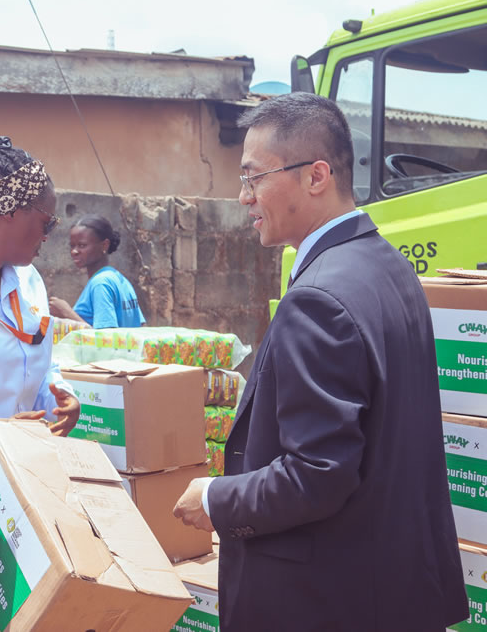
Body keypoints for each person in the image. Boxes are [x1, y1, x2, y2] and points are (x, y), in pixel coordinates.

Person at [172, 93, 467, 630]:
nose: (244, 197)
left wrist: (217, 498)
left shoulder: (318, 300)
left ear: (317, 176)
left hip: (328, 600)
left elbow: (317, 474)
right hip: (389, 588)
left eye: (254, 177)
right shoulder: (389, 267)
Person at [0, 132, 81, 436]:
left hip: (25, 460)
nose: (48, 236)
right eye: (46, 222)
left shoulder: (30, 280)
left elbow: (37, 357)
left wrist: (61, 395)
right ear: (11, 210)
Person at [48, 214, 145, 328]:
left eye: (82, 245)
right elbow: (141, 326)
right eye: (72, 245)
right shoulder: (120, 279)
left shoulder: (100, 283)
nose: (74, 251)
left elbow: (106, 339)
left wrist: (66, 313)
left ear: (104, 245)